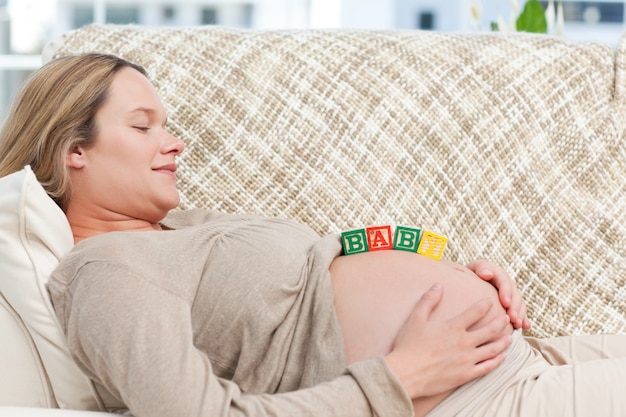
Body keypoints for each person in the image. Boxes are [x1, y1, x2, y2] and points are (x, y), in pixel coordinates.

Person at [0, 53, 623, 417]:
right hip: (476, 402)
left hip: (523, 355)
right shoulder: (106, 271)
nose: (175, 143)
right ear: (72, 149)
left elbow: (326, 260)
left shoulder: (180, 230)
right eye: (143, 127)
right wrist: (398, 379)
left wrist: (456, 270)